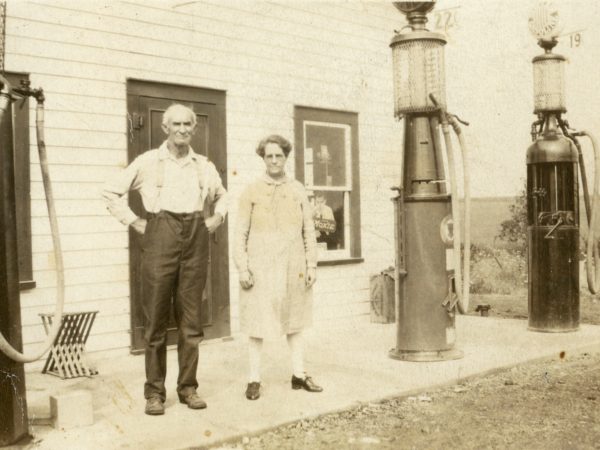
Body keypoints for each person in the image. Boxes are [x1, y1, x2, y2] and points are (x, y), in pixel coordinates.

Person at [102, 104, 228, 415]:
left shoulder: (204, 166)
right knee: (156, 321)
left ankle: (188, 388)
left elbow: (223, 195)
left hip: (195, 238)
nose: (183, 129)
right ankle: (154, 393)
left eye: (188, 124)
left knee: (191, 321)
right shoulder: (147, 162)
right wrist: (135, 222)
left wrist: (218, 218)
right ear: (165, 128)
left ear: (194, 129)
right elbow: (109, 192)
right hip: (160, 236)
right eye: (177, 124)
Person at [234, 134, 323, 401]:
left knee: (295, 320)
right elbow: (240, 233)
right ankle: (253, 379)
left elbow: (309, 229)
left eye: (279, 156)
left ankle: (298, 374)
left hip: (292, 264)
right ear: (263, 158)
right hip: (259, 265)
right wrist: (243, 268)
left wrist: (311, 265)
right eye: (269, 156)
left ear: (286, 158)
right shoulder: (251, 190)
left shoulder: (297, 189)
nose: (274, 160)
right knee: (257, 322)